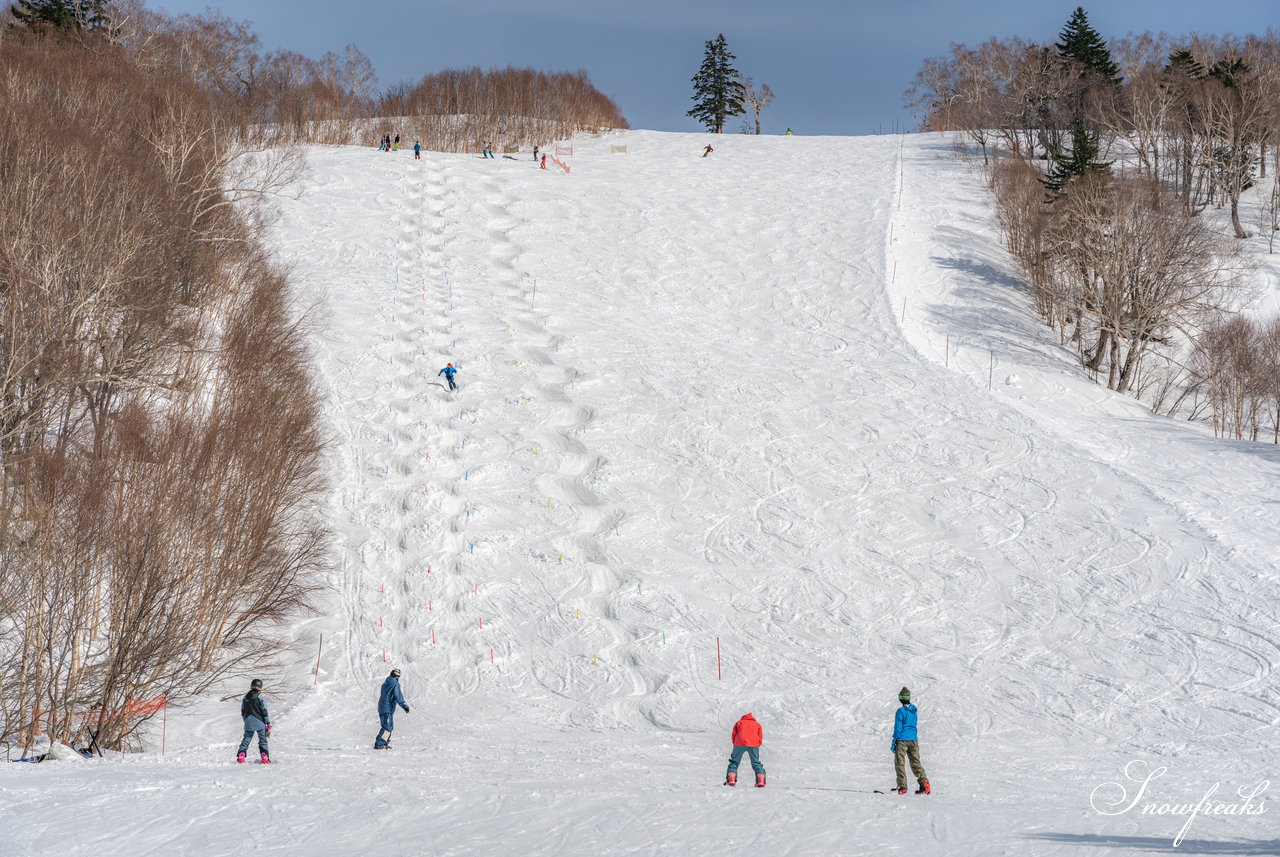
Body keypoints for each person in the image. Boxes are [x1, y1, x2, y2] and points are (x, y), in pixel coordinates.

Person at [891, 687, 929, 794]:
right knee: (915, 762)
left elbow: (898, 727)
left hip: (902, 739)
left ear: (901, 699)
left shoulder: (900, 711)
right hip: (913, 739)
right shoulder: (913, 711)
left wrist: (894, 740)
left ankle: (902, 786)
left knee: (900, 763)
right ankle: (924, 783)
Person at [724, 712, 766, 787]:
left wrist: (735, 742)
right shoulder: (757, 724)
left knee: (734, 762)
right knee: (756, 762)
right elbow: (760, 735)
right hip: (754, 744)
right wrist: (758, 744)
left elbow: (734, 734)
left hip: (739, 743)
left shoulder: (739, 722)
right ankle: (761, 780)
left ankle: (731, 779)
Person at [236, 679, 271, 764]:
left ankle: (241, 756)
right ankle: (264, 757)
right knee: (263, 740)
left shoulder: (245, 697)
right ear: (260, 687)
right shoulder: (260, 697)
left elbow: (243, 711)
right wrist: (268, 722)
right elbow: (264, 711)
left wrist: (246, 720)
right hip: (260, 721)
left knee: (246, 739)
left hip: (248, 721)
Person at [375, 668, 410, 749]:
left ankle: (384, 743)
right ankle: (379, 744)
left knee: (387, 726)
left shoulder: (385, 684)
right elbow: (398, 696)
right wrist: (405, 706)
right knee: (387, 727)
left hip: (382, 708)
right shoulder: (395, 684)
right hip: (387, 708)